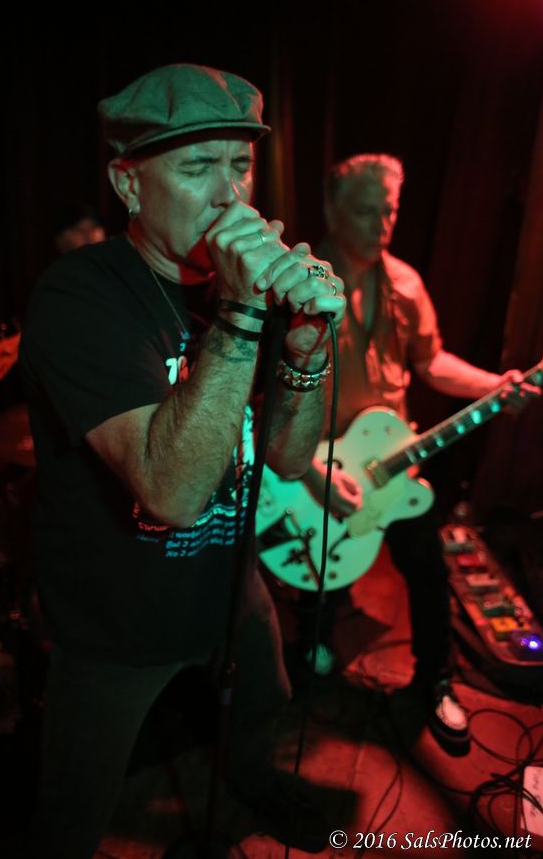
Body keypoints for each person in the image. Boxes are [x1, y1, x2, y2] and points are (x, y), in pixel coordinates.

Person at [19, 63, 345, 858]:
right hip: (115, 618)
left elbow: (288, 457)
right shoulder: (80, 296)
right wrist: (240, 315)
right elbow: (170, 492)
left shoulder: (247, 287)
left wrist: (306, 354)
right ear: (129, 184)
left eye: (240, 165)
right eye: (198, 167)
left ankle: (252, 784)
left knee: (264, 698)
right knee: (75, 806)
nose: (231, 194)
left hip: (228, 582)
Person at [299, 153, 536, 754]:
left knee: (429, 574)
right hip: (317, 468)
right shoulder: (297, 283)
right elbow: (264, 394)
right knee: (319, 581)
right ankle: (307, 659)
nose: (381, 226)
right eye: (366, 211)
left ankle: (435, 680)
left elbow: (431, 362)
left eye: (390, 211)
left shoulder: (404, 283)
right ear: (330, 208)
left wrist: (494, 384)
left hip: (392, 465)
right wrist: (308, 468)